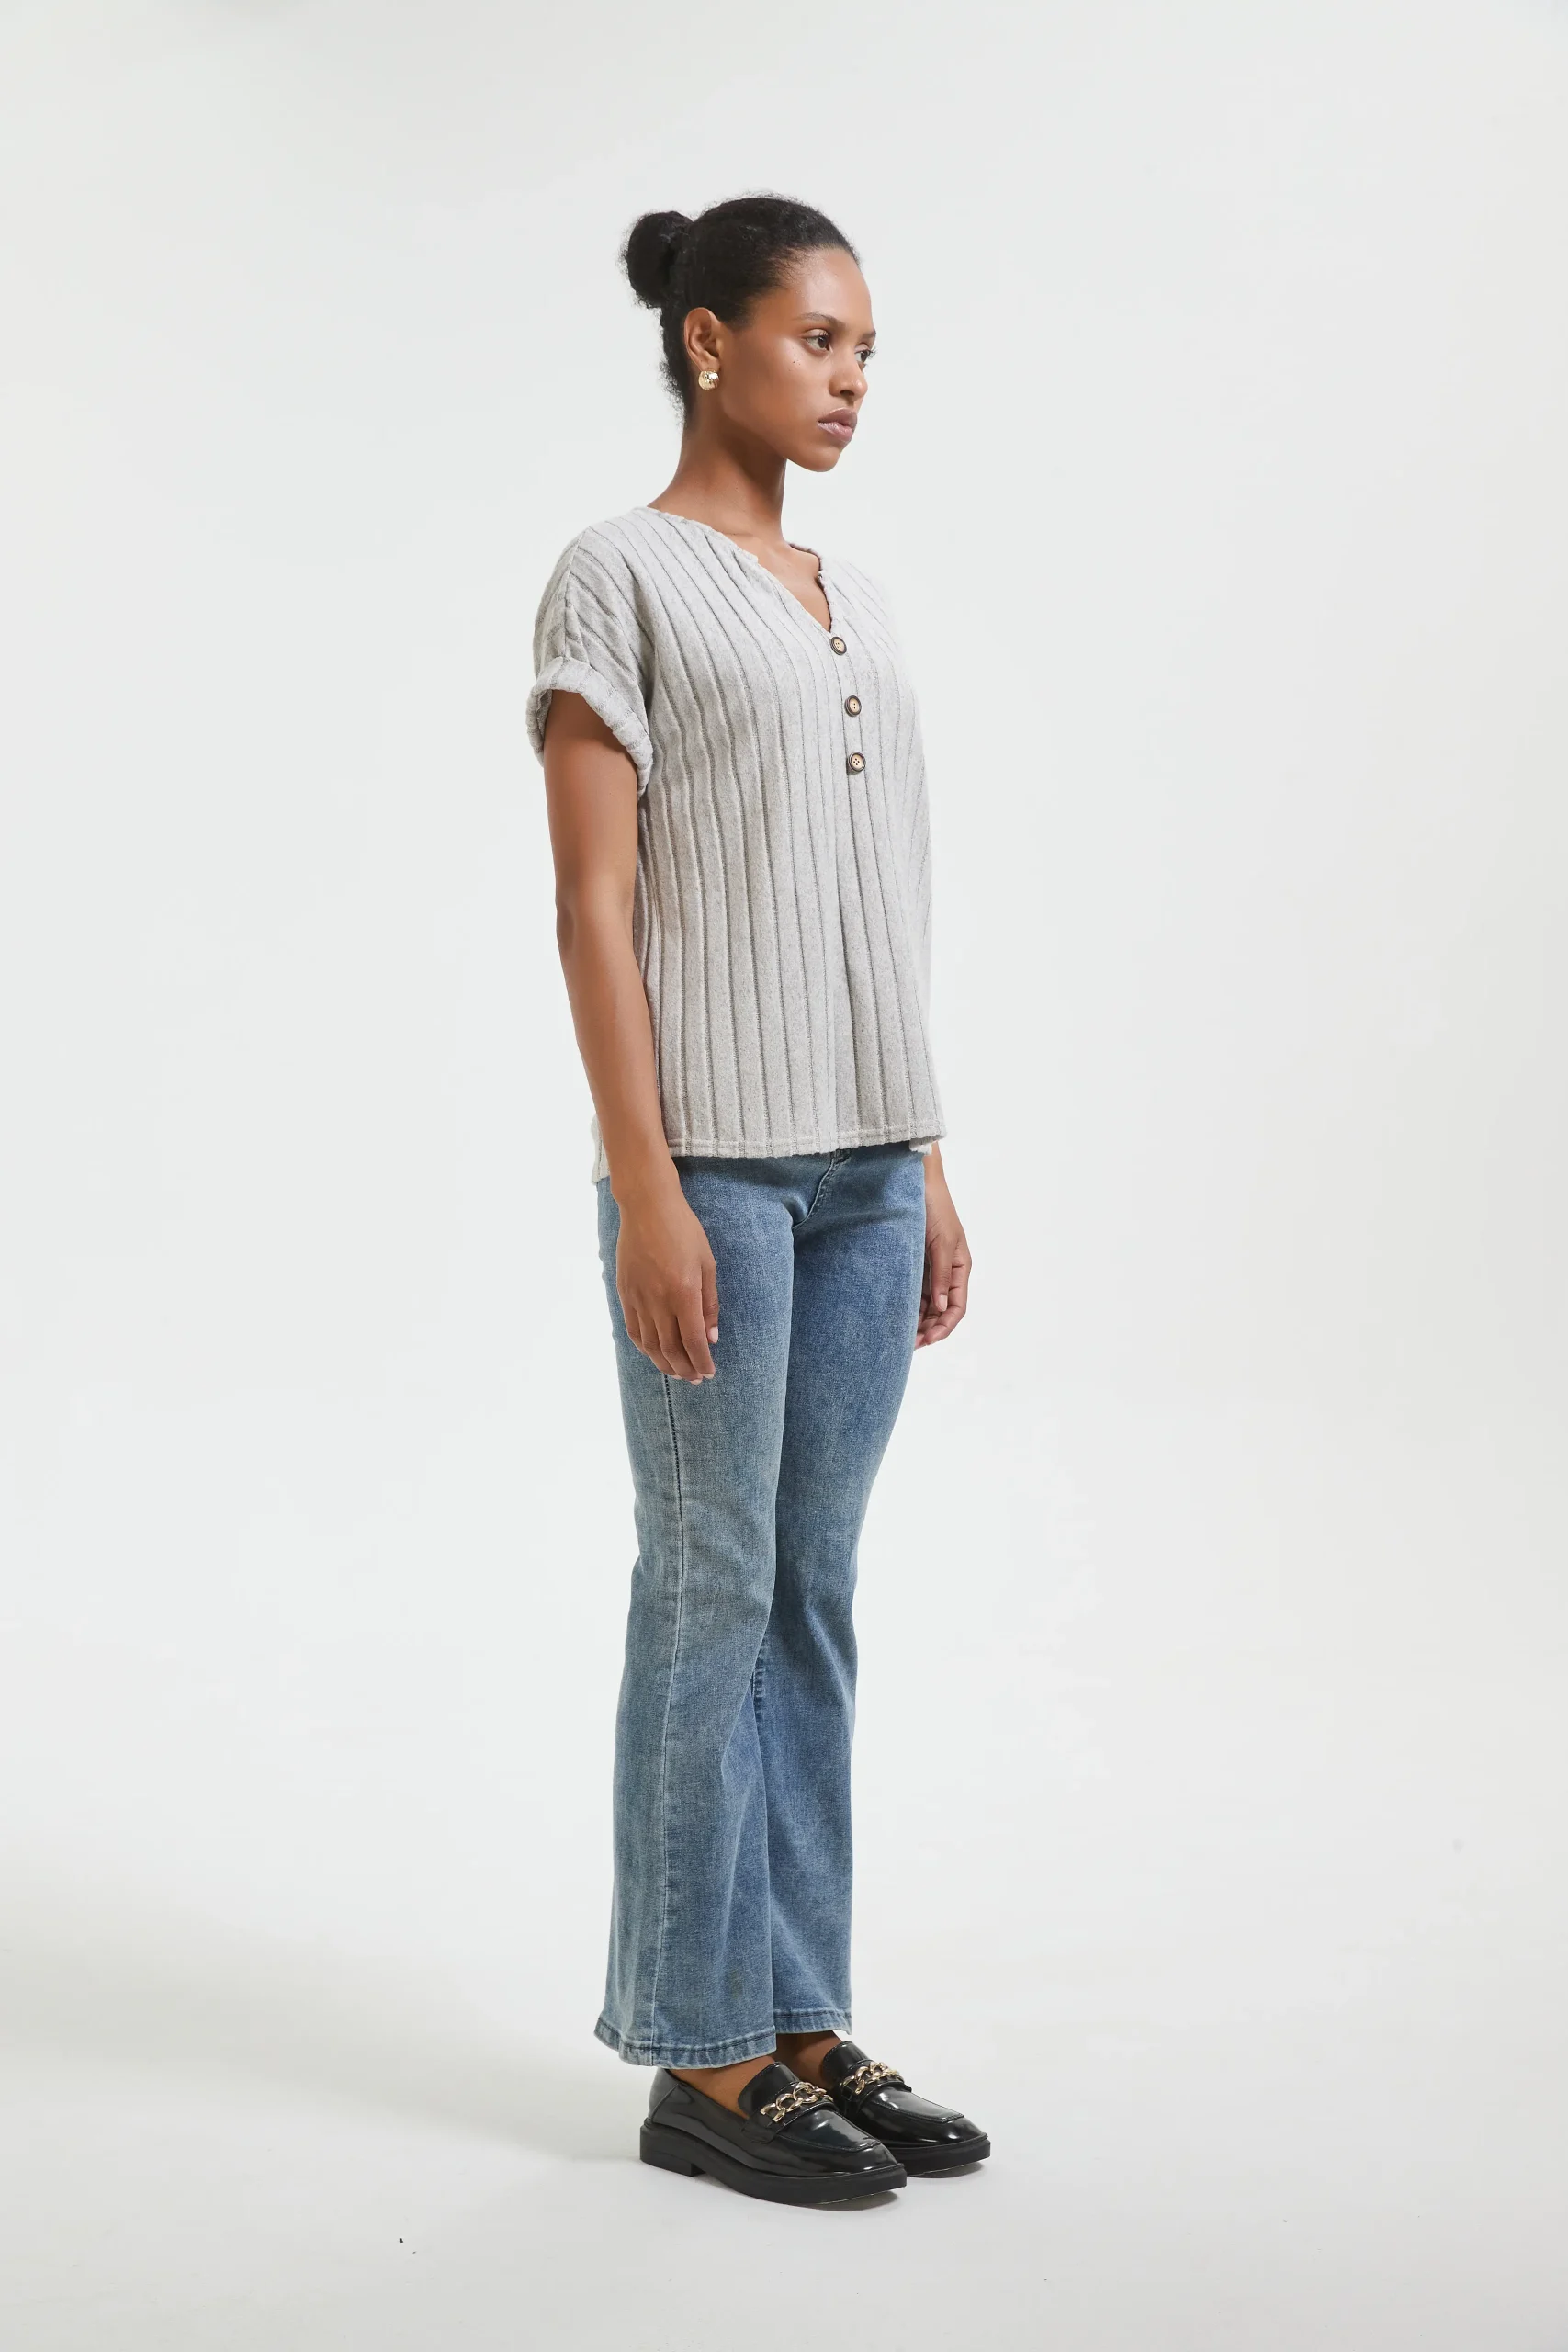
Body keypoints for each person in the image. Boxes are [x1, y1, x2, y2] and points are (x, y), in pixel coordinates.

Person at [526, 193, 987, 2206]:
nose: (852, 378)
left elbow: (878, 906)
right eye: (819, 339)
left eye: (868, 348)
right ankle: (698, 2048)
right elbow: (593, 902)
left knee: (810, 1593)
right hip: (712, 1166)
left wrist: (927, 1156)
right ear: (708, 341)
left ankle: (798, 2015)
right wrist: (646, 1188)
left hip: (869, 1170)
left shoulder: (852, 597)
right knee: (708, 1587)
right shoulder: (615, 576)